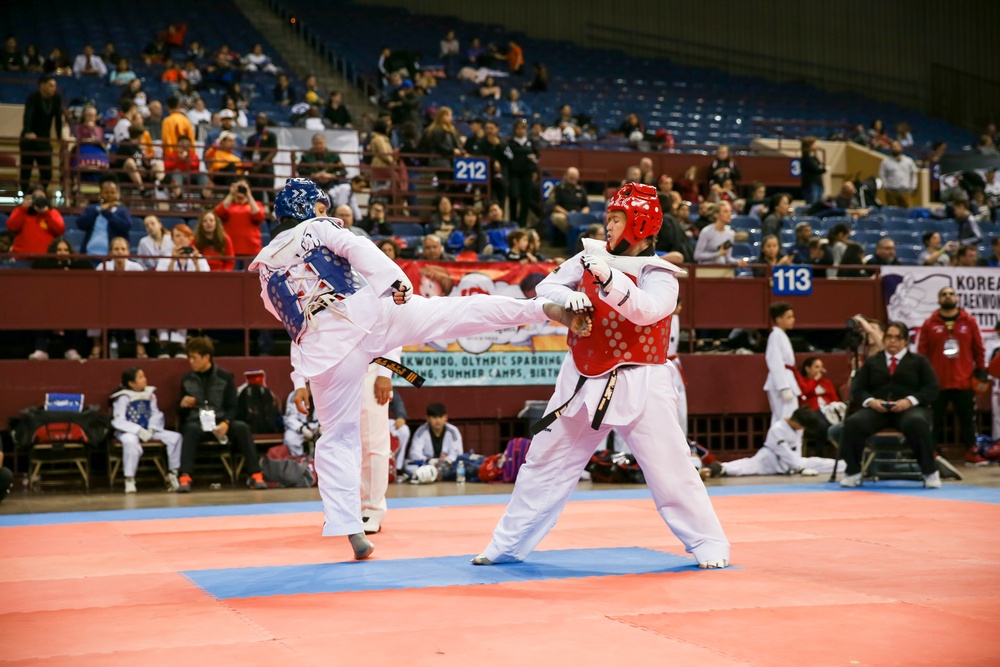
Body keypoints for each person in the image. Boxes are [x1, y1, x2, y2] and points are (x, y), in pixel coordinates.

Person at [248, 178, 591, 560]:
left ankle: (350, 529)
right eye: (321, 207)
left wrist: (302, 376)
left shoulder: (262, 270)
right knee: (454, 314)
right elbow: (357, 246)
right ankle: (538, 308)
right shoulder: (317, 227)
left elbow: (294, 325)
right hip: (371, 317)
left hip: (326, 353)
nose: (326, 214)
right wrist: (395, 280)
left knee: (336, 438)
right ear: (304, 208)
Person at [472, 182, 730, 569]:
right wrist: (567, 297)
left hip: (641, 380)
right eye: (607, 218)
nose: (607, 226)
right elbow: (546, 284)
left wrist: (608, 280)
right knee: (544, 462)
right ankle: (507, 544)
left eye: (616, 218)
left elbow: (648, 310)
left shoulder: (660, 273)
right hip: (580, 376)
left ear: (640, 225)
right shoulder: (588, 257)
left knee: (671, 468)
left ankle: (708, 541)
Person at [839, 322, 941, 488]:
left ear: (905, 341)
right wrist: (871, 401)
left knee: (916, 422)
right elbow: (858, 389)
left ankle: (929, 472)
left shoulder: (919, 361)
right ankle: (853, 471)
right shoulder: (872, 361)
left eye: (897, 338)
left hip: (909, 409)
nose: (892, 341)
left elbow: (932, 389)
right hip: (878, 409)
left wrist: (909, 401)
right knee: (853, 423)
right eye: (889, 337)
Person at [176, 337, 267, 492]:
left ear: (206, 357)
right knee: (190, 429)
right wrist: (182, 405)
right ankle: (185, 477)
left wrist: (226, 422)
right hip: (198, 423)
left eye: (194, 358)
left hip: (221, 422)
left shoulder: (225, 377)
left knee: (242, 428)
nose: (191, 361)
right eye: (189, 357)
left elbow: (233, 406)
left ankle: (255, 474)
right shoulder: (187, 379)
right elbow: (180, 413)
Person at [917, 287, 988, 466]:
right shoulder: (929, 323)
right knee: (933, 420)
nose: (948, 296)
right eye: (944, 294)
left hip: (963, 380)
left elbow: (978, 348)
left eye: (951, 294)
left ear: (956, 298)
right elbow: (922, 352)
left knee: (967, 419)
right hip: (936, 382)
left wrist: (981, 369)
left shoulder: (969, 321)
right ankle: (930, 452)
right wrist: (922, 376)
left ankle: (971, 452)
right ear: (939, 299)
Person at [704, 408, 844, 478]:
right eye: (802, 426)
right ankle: (717, 469)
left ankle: (850, 465)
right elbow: (784, 452)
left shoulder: (798, 430)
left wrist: (798, 465)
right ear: (796, 422)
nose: (802, 430)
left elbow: (795, 452)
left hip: (793, 462)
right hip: (769, 460)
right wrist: (800, 468)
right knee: (743, 467)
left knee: (823, 463)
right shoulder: (778, 429)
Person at [110, 367, 183, 493]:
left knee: (175, 437)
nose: (145, 379)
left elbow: (156, 414)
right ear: (131, 383)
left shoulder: (150, 395)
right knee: (130, 442)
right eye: (140, 377)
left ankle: (172, 473)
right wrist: (138, 430)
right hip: (128, 432)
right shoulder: (123, 397)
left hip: (148, 430)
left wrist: (152, 429)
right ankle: (130, 478)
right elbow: (118, 420)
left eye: (144, 376)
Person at [20, 74, 64, 192]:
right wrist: (28, 132)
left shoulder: (56, 98)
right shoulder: (33, 97)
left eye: (54, 86)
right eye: (51, 86)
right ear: (42, 85)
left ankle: (40, 194)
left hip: (44, 140)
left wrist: (60, 137)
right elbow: (28, 115)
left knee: (47, 173)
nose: (53, 88)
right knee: (26, 172)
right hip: (29, 140)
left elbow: (58, 119)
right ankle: (26, 196)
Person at [764, 302, 800, 427]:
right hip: (782, 381)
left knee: (782, 417)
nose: (793, 320)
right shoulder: (775, 336)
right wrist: (783, 386)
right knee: (785, 417)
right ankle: (781, 444)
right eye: (789, 317)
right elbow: (774, 361)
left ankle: (778, 445)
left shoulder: (780, 335)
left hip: (787, 378)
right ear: (778, 319)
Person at [77, 176, 132, 257]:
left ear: (117, 194)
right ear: (101, 194)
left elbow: (126, 227)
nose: (109, 195)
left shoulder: (122, 211)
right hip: (90, 254)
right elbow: (81, 224)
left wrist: (107, 213)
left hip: (113, 257)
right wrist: (98, 210)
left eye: (112, 192)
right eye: (106, 192)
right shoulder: (92, 209)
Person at [214, 179, 266, 262]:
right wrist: (231, 194)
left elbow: (259, 216)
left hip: (251, 250)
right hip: (231, 250)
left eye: (243, 187)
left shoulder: (256, 204)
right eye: (238, 186)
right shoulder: (229, 204)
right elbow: (218, 213)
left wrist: (248, 195)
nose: (241, 189)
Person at [405, 403, 463, 478]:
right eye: (434, 417)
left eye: (440, 417)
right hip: (426, 464)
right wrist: (430, 461)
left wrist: (444, 463)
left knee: (460, 465)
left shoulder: (453, 431)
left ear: (446, 417)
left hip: (447, 465)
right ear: (428, 418)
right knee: (408, 466)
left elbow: (457, 453)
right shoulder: (421, 432)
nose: (438, 420)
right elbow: (414, 453)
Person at [7, 185, 65, 255]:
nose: (39, 200)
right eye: (36, 197)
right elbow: (12, 227)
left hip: (45, 258)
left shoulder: (52, 213)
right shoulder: (21, 211)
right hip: (22, 257)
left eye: (42, 197)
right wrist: (23, 208)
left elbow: (60, 230)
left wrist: (46, 213)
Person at [547, 167, 590, 233]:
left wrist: (581, 214)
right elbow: (554, 206)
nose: (573, 181)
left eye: (575, 179)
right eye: (571, 178)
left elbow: (586, 206)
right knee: (557, 217)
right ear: (565, 176)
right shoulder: (558, 188)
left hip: (578, 215)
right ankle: (572, 232)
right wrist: (568, 214)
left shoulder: (581, 190)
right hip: (564, 215)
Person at [878, 141, 917, 208]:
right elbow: (882, 175)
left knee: (907, 212)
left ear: (901, 148)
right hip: (891, 192)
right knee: (892, 212)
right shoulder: (885, 162)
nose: (895, 148)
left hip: (905, 191)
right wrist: (886, 186)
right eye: (893, 147)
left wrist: (913, 187)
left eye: (896, 146)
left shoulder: (908, 161)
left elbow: (913, 174)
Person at [800, 137, 826, 204]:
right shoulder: (806, 158)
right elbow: (815, 169)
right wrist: (822, 169)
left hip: (818, 183)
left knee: (819, 203)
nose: (816, 146)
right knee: (812, 203)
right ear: (810, 145)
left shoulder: (814, 157)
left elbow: (819, 166)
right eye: (814, 144)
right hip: (811, 184)